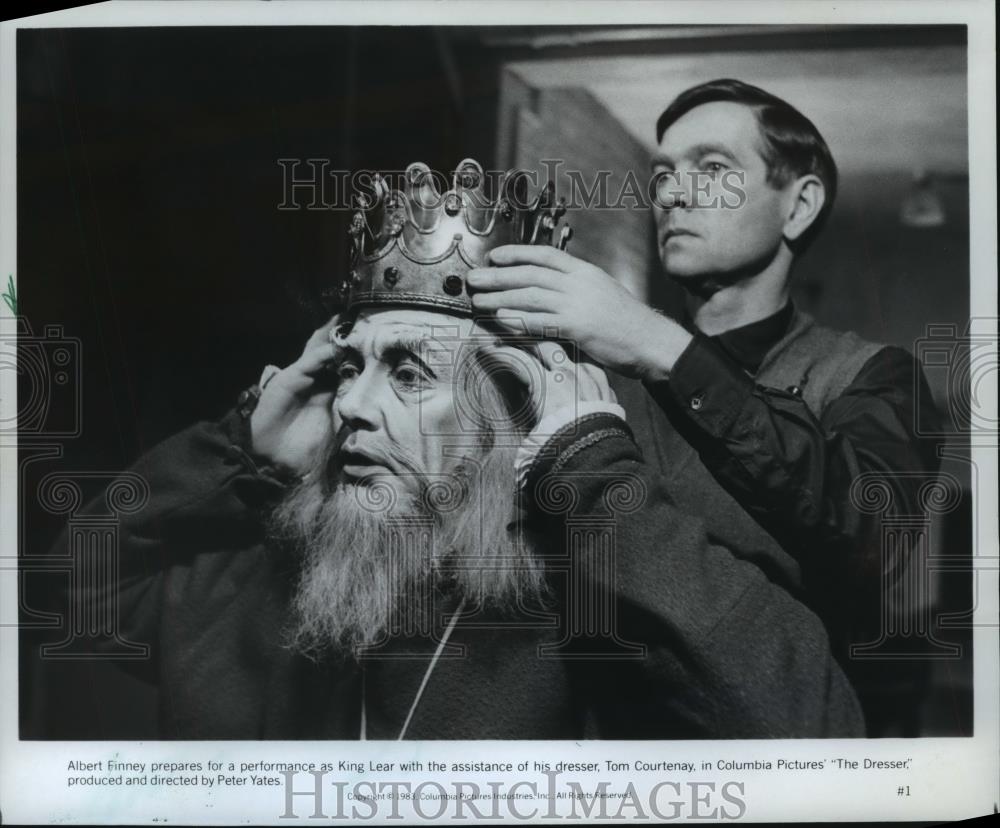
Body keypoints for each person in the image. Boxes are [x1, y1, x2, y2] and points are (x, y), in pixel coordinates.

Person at [53, 297, 864, 739]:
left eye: (407, 374)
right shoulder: (286, 559)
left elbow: (810, 731)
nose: (352, 407)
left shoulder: (592, 614)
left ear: (509, 412)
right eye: (348, 368)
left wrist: (593, 480)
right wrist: (242, 446)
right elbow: (71, 590)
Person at [466, 79, 941, 731]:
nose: (673, 192)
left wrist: (663, 344)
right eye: (663, 173)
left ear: (798, 207)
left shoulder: (871, 375)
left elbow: (874, 534)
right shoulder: (602, 382)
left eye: (712, 168)